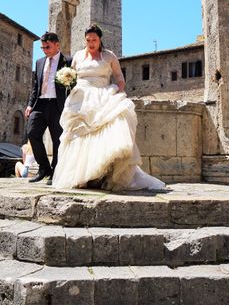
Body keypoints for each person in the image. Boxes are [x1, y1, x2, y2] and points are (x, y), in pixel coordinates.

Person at [52, 25, 165, 191]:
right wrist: (67, 81)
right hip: (81, 97)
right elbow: (73, 75)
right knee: (79, 135)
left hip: (102, 93)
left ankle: (100, 173)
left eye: (94, 40)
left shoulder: (109, 56)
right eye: (88, 40)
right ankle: (81, 176)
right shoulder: (78, 56)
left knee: (117, 118)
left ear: (100, 40)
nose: (91, 43)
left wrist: (117, 89)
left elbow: (120, 78)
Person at [26, 32, 72, 183]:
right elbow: (35, 86)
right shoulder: (39, 62)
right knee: (32, 133)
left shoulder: (68, 61)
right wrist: (29, 105)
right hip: (40, 104)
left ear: (57, 45)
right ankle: (44, 167)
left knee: (57, 139)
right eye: (42, 47)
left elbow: (72, 86)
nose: (45, 50)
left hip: (57, 105)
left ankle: (55, 173)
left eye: (48, 47)